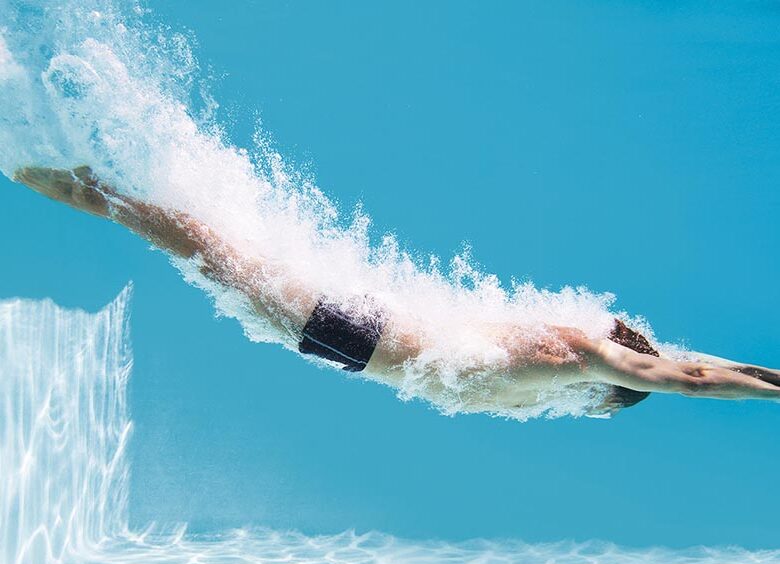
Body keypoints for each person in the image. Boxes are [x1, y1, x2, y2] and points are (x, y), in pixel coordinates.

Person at [13, 166, 780, 417]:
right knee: (181, 233)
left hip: (354, 325)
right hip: (348, 334)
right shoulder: (566, 369)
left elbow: (685, 368)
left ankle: (54, 173)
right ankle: (52, 174)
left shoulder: (579, 353)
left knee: (185, 232)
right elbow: (690, 370)